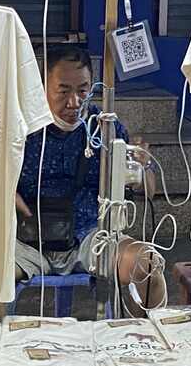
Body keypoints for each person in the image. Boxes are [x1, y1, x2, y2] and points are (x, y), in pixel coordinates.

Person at [14, 44, 166, 312]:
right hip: (28, 242)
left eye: (82, 90)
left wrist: (142, 168)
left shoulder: (106, 126)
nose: (73, 102)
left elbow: (150, 191)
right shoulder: (20, 125)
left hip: (91, 237)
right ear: (43, 86)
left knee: (147, 264)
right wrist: (4, 192)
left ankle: (144, 343)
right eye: (63, 91)